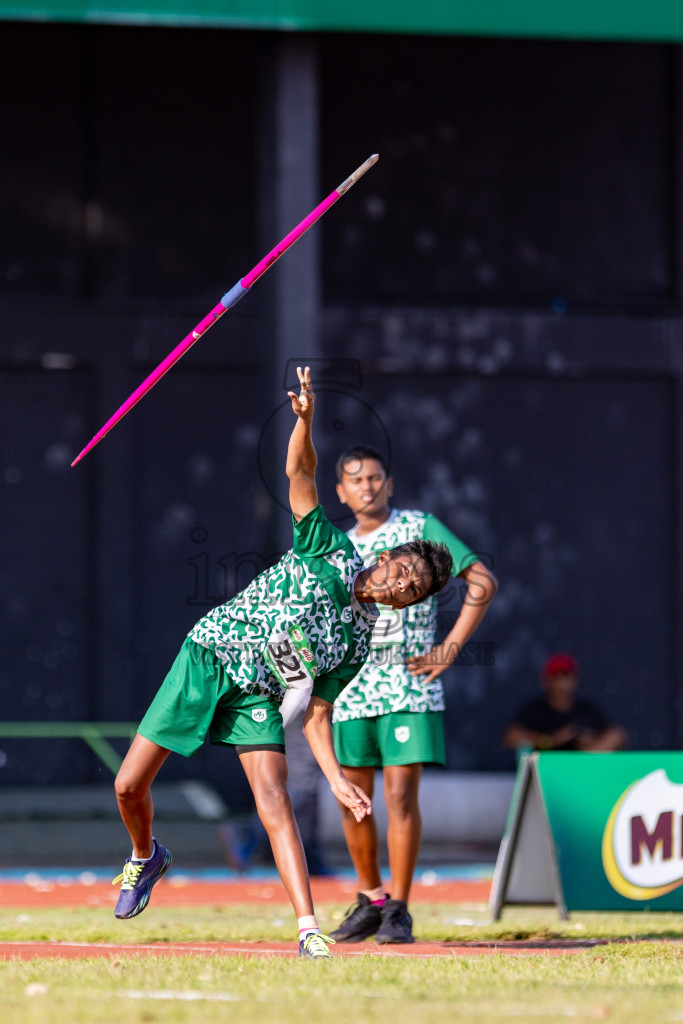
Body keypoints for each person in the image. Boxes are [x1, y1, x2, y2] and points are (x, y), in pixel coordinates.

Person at [112, 369, 454, 959]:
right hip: (211, 654)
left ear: (412, 602)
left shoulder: (359, 640)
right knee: (128, 785)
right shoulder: (332, 547)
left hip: (259, 696)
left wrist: (337, 779)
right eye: (403, 571)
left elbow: (318, 716)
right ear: (389, 557)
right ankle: (145, 857)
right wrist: (303, 421)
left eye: (413, 589)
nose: (400, 584)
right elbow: (300, 474)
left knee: (275, 804)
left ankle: (308, 930)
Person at [327, 446, 498, 945]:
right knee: (354, 802)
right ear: (340, 491)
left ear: (390, 483)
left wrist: (448, 649)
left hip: (408, 684)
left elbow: (482, 581)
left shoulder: (420, 527)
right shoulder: (338, 545)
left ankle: (399, 909)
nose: (367, 486)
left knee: (401, 795)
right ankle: (370, 899)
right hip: (351, 688)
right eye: (356, 480)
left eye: (376, 478)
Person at [503, 652, 627, 754]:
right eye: (556, 677)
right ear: (545, 681)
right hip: (547, 772)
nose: (561, 683)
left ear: (574, 680)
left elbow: (617, 736)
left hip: (583, 770)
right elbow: (512, 737)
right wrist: (549, 740)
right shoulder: (535, 711)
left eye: (565, 676)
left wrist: (591, 746)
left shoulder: (587, 710)